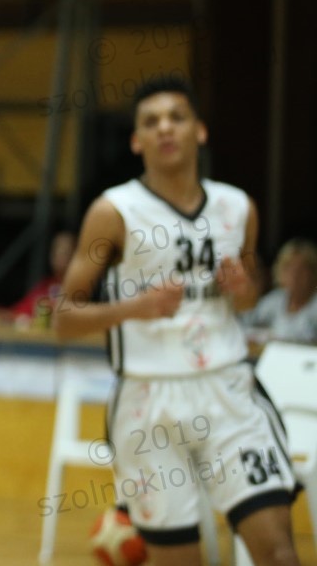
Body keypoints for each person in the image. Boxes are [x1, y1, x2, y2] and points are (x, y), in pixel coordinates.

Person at [53, 76, 302, 566]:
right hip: (149, 402)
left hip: (228, 391)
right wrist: (135, 307)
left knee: (278, 554)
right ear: (136, 140)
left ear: (200, 131)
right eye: (151, 122)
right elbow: (63, 319)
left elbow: (249, 300)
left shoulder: (237, 207)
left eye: (177, 117)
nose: (165, 128)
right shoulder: (113, 212)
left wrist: (242, 288)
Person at [241, 239, 317, 348]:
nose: (295, 276)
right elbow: (247, 321)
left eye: (302, 270)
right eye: (290, 269)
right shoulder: (275, 300)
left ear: (313, 273)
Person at [7, 230, 76, 325]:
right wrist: (3, 314)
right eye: (55, 251)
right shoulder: (46, 284)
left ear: (75, 256)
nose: (58, 256)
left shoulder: (78, 287)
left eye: (64, 252)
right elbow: (21, 309)